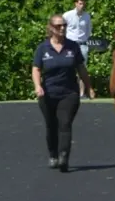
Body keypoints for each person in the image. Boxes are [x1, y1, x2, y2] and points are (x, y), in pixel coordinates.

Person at [32, 14, 96, 172]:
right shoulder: (43, 48)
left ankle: (63, 157)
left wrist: (89, 87)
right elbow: (36, 69)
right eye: (59, 26)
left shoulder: (73, 47)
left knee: (65, 123)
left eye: (64, 25)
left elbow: (81, 69)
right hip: (48, 94)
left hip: (69, 93)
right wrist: (38, 86)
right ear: (51, 28)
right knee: (51, 125)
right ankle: (53, 154)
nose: (63, 28)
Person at [63, 0, 93, 99]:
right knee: (67, 69)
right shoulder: (67, 15)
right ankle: (68, 92)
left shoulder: (87, 16)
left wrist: (83, 39)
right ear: (75, 4)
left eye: (83, 4)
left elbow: (88, 31)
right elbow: (63, 30)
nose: (82, 5)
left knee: (82, 70)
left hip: (82, 45)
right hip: (70, 45)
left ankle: (81, 93)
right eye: (80, 3)